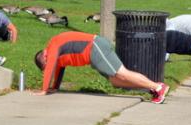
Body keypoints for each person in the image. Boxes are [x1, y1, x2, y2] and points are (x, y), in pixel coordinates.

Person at [33, 32, 170, 103]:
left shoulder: (52, 47)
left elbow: (51, 67)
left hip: (95, 47)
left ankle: (158, 87)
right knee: (115, 81)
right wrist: (54, 87)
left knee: (122, 73)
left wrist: (44, 90)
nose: (50, 65)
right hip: (94, 53)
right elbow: (58, 69)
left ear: (44, 57)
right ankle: (153, 87)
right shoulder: (57, 56)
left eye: (46, 66)